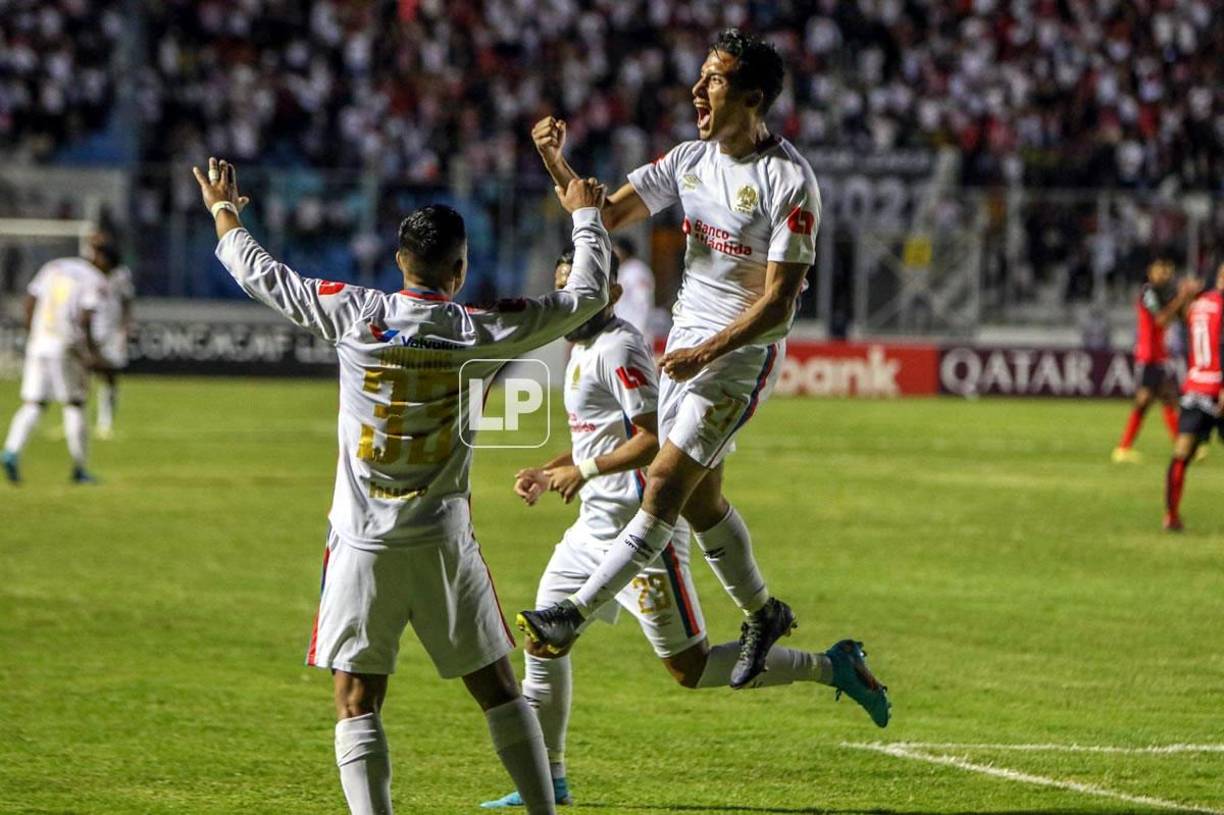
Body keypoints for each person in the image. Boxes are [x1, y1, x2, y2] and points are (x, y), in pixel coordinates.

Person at [194, 156, 615, 815]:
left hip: (364, 541)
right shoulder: (480, 329)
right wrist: (586, 218)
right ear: (460, 270)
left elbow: (263, 275)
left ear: (399, 260)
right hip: (445, 540)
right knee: (500, 688)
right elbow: (585, 297)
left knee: (357, 699)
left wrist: (225, 210)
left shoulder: (354, 314)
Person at [516, 28, 889, 719]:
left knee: (661, 480)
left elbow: (779, 303)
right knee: (698, 498)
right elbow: (600, 214)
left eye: (714, 80)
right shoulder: (688, 160)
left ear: (753, 98)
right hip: (688, 349)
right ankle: (763, 611)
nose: (697, 90)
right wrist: (555, 162)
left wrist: (709, 349)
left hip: (740, 358)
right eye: (700, 77)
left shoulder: (788, 181)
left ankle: (574, 611)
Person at [481, 250, 887, 808]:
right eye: (565, 288)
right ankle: (548, 778)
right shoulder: (578, 347)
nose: (572, 298)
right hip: (589, 530)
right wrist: (556, 470)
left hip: (641, 534)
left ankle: (831, 666)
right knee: (542, 642)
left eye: (583, 287)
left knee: (690, 669)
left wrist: (584, 469)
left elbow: (650, 441)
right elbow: (599, 438)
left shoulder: (621, 348)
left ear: (614, 294)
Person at [2, 234, 112, 484]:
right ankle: (80, 468)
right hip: (66, 345)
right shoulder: (94, 279)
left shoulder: (54, 266)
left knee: (34, 403)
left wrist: (33, 332)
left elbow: (30, 301)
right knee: (74, 403)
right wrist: (92, 353)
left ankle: (11, 451)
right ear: (101, 258)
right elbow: (85, 319)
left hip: (39, 342)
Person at [1112, 256, 1200, 463]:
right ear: (1151, 271)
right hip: (1149, 355)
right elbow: (1161, 319)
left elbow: (1181, 315)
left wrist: (1189, 297)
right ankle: (1126, 448)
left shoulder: (1162, 294)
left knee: (1162, 399)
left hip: (1158, 355)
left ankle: (1126, 447)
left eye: (1168, 270)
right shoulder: (1148, 292)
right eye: (1161, 269)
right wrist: (1182, 296)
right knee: (1159, 399)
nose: (1165, 274)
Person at [1163, 264, 1221, 532]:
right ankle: (1171, 517)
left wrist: (1184, 297)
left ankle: (1171, 516)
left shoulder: (1200, 304)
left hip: (1195, 387)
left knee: (1182, 453)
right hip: (1216, 387)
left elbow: (1175, 322)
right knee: (1183, 452)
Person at [92, 252, 135, 439]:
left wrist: (126, 328)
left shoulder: (121, 275)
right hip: (90, 330)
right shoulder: (87, 273)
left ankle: (105, 422)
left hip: (112, 332)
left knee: (109, 376)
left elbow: (127, 302)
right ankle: (75, 420)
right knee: (81, 376)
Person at [611, 237, 655, 349]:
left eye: (616, 250)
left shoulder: (637, 270)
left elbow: (643, 304)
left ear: (624, 251)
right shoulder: (622, 270)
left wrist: (639, 331)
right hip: (622, 330)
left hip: (636, 331)